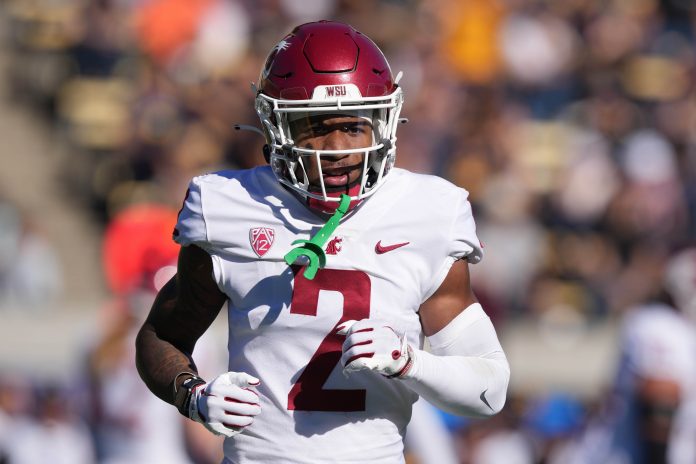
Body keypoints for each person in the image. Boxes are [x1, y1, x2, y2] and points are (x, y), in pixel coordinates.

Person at [135, 20, 510, 463]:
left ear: (384, 123)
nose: (334, 147)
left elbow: (488, 390)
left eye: (353, 127)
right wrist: (193, 396)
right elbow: (162, 336)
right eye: (313, 126)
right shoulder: (227, 206)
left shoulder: (431, 213)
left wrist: (410, 362)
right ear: (276, 127)